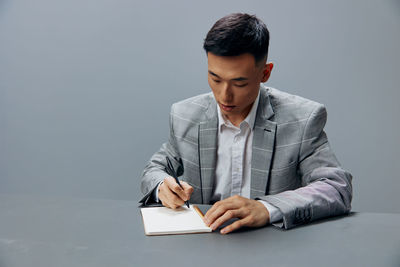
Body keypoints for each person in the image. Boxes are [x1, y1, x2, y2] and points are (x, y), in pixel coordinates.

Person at [140, 13, 352, 234]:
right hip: (201, 249)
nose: (224, 95)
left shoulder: (303, 119)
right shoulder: (185, 115)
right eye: (215, 78)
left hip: (273, 249)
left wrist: (266, 208)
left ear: (265, 73)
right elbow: (154, 169)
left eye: (239, 83)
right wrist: (162, 186)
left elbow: (336, 188)